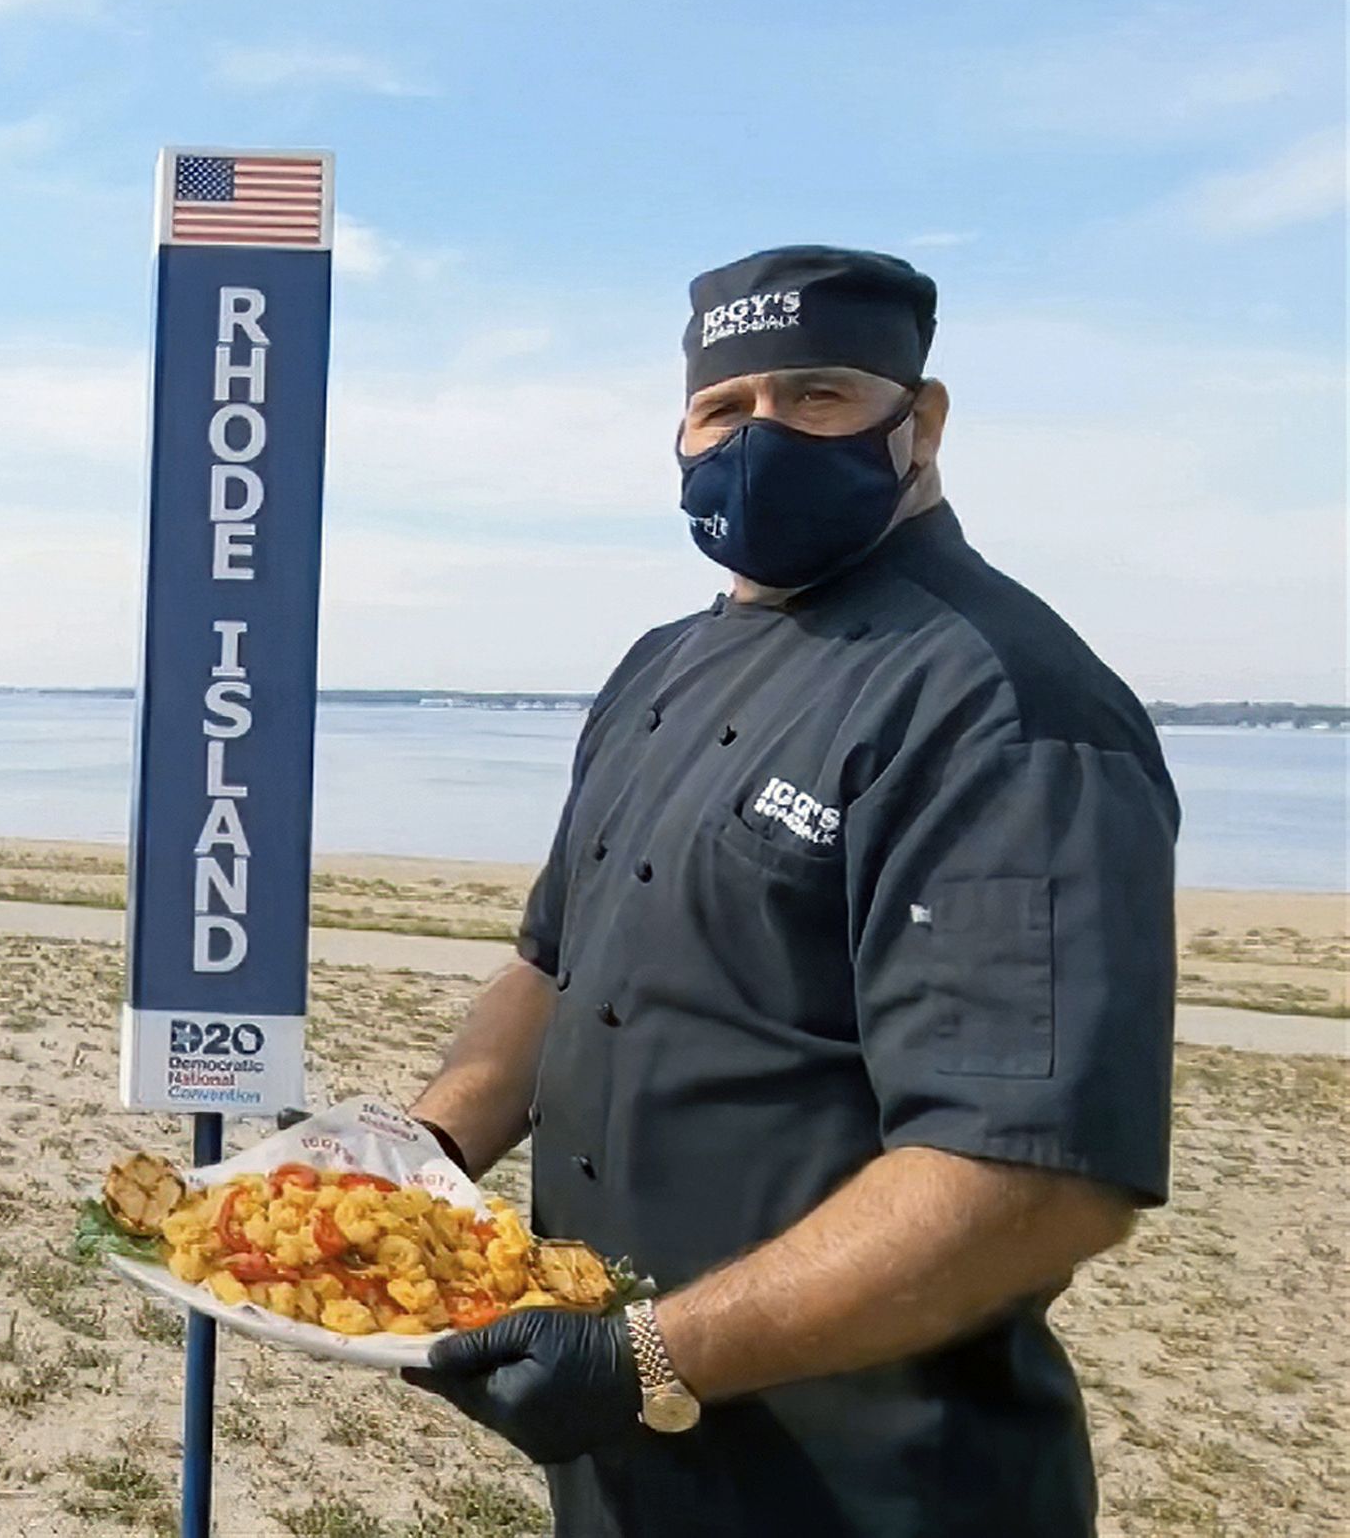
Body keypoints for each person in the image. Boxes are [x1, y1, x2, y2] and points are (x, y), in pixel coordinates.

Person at [398, 246, 1177, 1538]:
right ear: (681, 435)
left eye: (815, 397)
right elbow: (552, 968)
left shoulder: (1001, 702)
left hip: (874, 1486)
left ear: (917, 424)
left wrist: (653, 1353)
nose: (759, 437)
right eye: (725, 407)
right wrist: (408, 1159)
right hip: (629, 1470)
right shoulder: (661, 667)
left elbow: (1035, 1178)